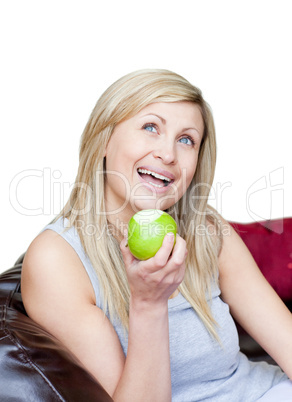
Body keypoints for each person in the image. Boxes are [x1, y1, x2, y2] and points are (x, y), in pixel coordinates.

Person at [21, 69, 292, 401]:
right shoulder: (57, 259)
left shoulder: (207, 230)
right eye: (151, 127)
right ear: (104, 138)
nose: (168, 154)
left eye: (186, 139)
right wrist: (149, 303)